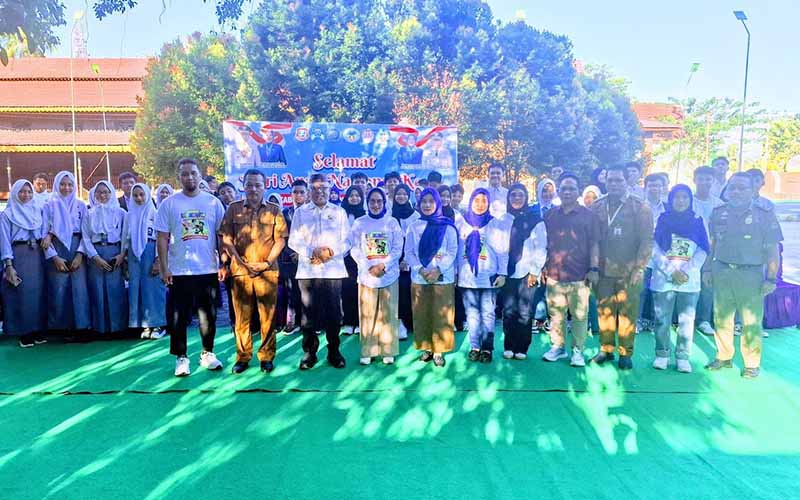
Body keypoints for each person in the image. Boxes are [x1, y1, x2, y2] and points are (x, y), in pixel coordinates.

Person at [704, 172, 781, 379]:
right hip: (722, 271)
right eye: (732, 188)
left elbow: (772, 250)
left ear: (752, 190)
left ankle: (751, 364)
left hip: (751, 275)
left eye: (742, 188)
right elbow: (712, 244)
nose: (736, 192)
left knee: (751, 321)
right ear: (727, 190)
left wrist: (771, 278)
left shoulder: (764, 214)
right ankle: (724, 356)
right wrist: (707, 269)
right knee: (721, 317)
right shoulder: (718, 213)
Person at [155, 158, 227, 377]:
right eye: (185, 174)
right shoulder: (169, 204)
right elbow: (162, 238)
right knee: (178, 317)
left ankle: (208, 353)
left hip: (207, 269)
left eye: (193, 173)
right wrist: (164, 267)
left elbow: (221, 236)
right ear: (179, 177)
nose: (189, 177)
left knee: (208, 315)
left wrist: (223, 263)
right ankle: (181, 357)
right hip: (179, 271)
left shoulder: (213, 202)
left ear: (200, 175)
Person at [220, 169, 287, 374]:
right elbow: (226, 239)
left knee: (268, 317)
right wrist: (240, 262)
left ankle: (266, 357)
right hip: (241, 272)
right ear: (243, 186)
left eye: (258, 185)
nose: (253, 189)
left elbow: (281, 240)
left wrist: (267, 262)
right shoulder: (233, 209)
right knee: (242, 318)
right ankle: (243, 356)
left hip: (267, 271)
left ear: (264, 186)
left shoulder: (274, 210)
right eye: (249, 185)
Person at [590, 164, 654, 369]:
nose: (614, 184)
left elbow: (646, 240)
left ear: (627, 181)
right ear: (605, 181)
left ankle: (626, 353)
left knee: (628, 313)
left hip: (629, 271)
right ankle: (606, 349)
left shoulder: (639, 207)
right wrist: (592, 267)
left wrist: (640, 267)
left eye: (619, 180)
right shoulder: (597, 206)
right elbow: (591, 239)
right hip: (603, 270)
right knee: (604, 311)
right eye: (610, 180)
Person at [287, 173, 351, 370]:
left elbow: (347, 241)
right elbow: (293, 240)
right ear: (309, 191)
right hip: (308, 270)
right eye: (314, 188)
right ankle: (309, 353)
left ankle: (334, 351)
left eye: (323, 188)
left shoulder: (339, 212)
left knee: (334, 314)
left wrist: (330, 253)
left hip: (332, 271)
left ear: (330, 189)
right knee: (308, 315)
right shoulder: (300, 213)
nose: (319, 192)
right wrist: (311, 252)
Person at [541, 173, 599, 366]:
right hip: (554, 274)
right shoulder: (550, 215)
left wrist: (594, 268)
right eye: (564, 188)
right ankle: (558, 347)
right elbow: (543, 243)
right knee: (556, 316)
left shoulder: (589, 216)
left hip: (580, 275)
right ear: (559, 190)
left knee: (579, 316)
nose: (567, 192)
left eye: (572, 188)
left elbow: (594, 244)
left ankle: (577, 351)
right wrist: (543, 266)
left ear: (578, 191)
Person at [650, 185, 709, 373]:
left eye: (685, 197)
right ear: (671, 199)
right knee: (662, 319)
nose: (681, 201)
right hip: (663, 278)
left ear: (690, 200)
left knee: (686, 320)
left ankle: (683, 357)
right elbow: (654, 248)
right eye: (676, 197)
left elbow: (703, 249)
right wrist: (671, 271)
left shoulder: (697, 221)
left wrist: (687, 271)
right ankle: (662, 354)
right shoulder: (662, 220)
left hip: (688, 280)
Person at [404, 188, 458, 367]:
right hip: (420, 278)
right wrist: (420, 270)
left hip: (442, 277)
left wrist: (438, 270)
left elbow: (452, 251)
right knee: (422, 313)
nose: (427, 205)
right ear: (419, 204)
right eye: (424, 201)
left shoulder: (448, 226)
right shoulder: (414, 226)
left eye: (431, 201)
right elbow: (409, 252)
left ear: (438, 203)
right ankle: (427, 348)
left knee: (441, 314)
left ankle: (439, 350)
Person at [349, 188, 404, 365]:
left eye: (379, 201)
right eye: (372, 201)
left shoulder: (392, 222)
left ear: (384, 203)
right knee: (367, 314)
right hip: (367, 276)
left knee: (388, 313)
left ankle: (388, 350)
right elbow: (354, 248)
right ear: (367, 203)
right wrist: (368, 266)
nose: (376, 204)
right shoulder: (359, 223)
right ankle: (368, 350)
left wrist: (383, 265)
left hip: (388, 274)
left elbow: (397, 248)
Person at [457, 188, 509, 363]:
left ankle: (487, 348)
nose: (480, 204)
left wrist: (502, 273)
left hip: (488, 277)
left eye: (484, 201)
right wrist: (456, 273)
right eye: (476, 200)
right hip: (467, 277)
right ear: (471, 201)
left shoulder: (494, 224)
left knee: (488, 314)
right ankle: (474, 346)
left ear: (488, 203)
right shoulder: (461, 222)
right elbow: (457, 251)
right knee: (471, 314)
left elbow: (502, 251)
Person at [41, 171, 91, 340]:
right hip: (57, 247)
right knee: (59, 287)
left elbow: (86, 233)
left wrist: (80, 254)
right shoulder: (49, 205)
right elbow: (44, 233)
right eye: (62, 184)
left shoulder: (81, 205)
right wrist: (54, 257)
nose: (66, 188)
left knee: (79, 288)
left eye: (70, 184)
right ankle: (61, 328)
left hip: (77, 246)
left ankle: (81, 326)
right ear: (56, 185)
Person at [502, 184, 547, 360]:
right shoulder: (503, 219)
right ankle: (509, 345)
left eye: (520, 195)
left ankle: (522, 347)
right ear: (508, 198)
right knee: (508, 311)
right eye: (513, 195)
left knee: (524, 312)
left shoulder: (535, 220)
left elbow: (541, 247)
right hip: (506, 272)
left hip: (527, 272)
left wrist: (534, 272)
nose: (516, 198)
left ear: (526, 197)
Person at [1, 180, 47, 347]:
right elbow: (4, 240)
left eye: (29, 191)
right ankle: (24, 332)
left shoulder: (37, 210)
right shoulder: (7, 214)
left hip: (37, 254)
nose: (26, 195)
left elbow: (44, 231)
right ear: (15, 193)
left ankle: (37, 329)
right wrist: (8, 264)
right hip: (18, 254)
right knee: (21, 293)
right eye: (21, 191)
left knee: (38, 292)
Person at [83, 180, 128, 336]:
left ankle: (117, 328)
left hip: (114, 251)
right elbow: (85, 237)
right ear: (94, 194)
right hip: (96, 253)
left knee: (115, 289)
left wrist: (122, 255)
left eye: (105, 192)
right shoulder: (89, 213)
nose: (102, 195)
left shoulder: (121, 213)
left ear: (111, 193)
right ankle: (100, 328)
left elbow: (125, 236)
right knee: (97, 289)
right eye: (99, 192)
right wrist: (95, 257)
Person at [122, 183, 166, 339]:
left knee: (153, 289)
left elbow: (161, 238)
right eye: (135, 195)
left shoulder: (156, 213)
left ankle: (158, 324)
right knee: (137, 289)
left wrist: (158, 260)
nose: (139, 198)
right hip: (134, 255)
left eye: (141, 194)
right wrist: (124, 258)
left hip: (151, 251)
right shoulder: (129, 215)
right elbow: (125, 239)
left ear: (147, 195)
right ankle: (145, 324)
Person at [692, 166, 724, 336]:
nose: (704, 182)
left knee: (707, 284)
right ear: (694, 180)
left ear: (713, 181)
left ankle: (704, 320)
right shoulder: (687, 200)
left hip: (711, 250)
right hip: (690, 250)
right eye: (701, 179)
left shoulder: (719, 204)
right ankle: (682, 319)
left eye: (708, 179)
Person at [277, 179, 307, 335]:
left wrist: (304, 253)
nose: (298, 195)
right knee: (292, 292)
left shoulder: (312, 212)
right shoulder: (284, 213)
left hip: (309, 259)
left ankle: (309, 323)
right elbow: (281, 236)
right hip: (289, 259)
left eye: (302, 192)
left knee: (308, 292)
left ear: (307, 194)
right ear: (291, 194)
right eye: (295, 192)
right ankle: (292, 323)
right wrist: (292, 253)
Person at [638, 173, 666, 332]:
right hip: (642, 256)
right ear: (645, 188)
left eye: (658, 185)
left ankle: (655, 321)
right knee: (641, 290)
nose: (654, 188)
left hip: (662, 257)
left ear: (663, 188)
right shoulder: (638, 207)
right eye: (651, 185)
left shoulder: (668, 208)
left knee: (658, 291)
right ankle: (638, 320)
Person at [392, 184, 419, 340]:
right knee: (399, 290)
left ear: (408, 196)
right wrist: (396, 260)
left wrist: (407, 260)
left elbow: (416, 240)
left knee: (411, 290)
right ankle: (400, 322)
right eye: (398, 194)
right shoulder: (389, 215)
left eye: (404, 194)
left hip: (412, 259)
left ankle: (413, 321)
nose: (401, 196)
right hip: (393, 260)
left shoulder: (415, 215)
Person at [340, 185, 366, 335]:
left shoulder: (365, 214)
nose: (354, 198)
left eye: (357, 196)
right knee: (347, 289)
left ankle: (360, 322)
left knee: (360, 290)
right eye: (352, 195)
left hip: (363, 257)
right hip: (345, 257)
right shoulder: (342, 214)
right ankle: (349, 322)